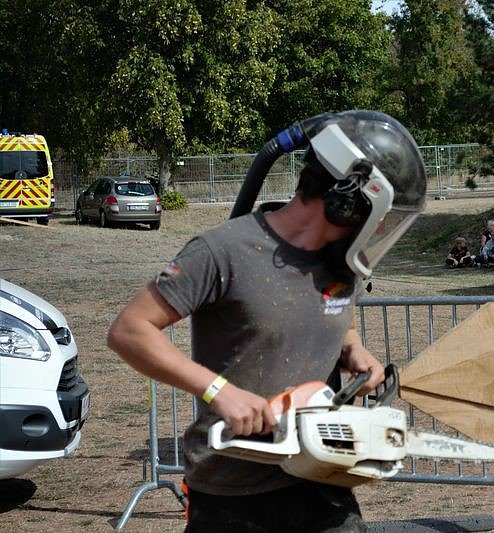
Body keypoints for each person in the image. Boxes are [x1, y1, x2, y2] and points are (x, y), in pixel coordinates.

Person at [106, 110, 427, 533]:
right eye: (381, 215)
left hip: (319, 477)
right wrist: (218, 391)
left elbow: (337, 319)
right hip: (232, 491)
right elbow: (130, 331)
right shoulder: (223, 250)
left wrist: (354, 350)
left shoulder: (341, 264)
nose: (382, 227)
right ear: (349, 202)